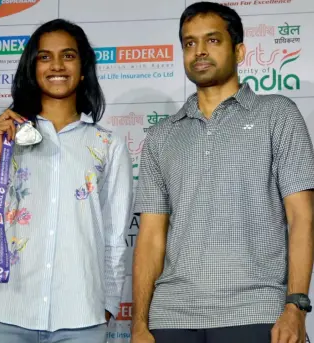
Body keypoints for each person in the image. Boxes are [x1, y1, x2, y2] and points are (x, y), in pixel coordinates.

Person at [131, 2, 314, 343]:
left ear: (240, 50)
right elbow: (151, 237)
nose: (199, 51)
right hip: (172, 316)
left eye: (212, 40)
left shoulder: (278, 115)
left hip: (256, 310)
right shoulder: (161, 136)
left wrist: (295, 306)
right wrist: (139, 324)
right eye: (189, 42)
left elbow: (302, 218)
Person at [0, 18, 133, 343]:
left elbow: (114, 238)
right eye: (45, 56)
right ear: (32, 67)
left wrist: (107, 307)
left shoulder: (108, 145)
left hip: (81, 320)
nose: (56, 64)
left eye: (68, 55)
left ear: (84, 68)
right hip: (3, 315)